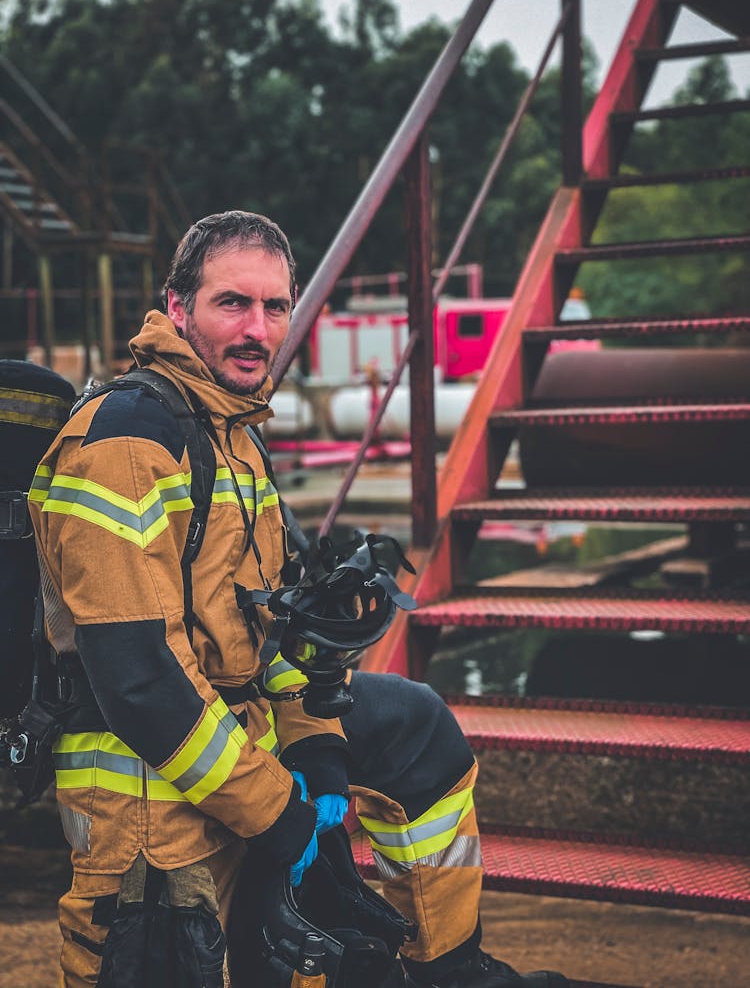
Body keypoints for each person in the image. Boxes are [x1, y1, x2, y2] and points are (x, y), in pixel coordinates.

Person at [29, 210, 567, 988]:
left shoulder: (235, 436)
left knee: (414, 725)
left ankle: (448, 970)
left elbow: (268, 628)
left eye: (275, 306)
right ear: (177, 308)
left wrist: (314, 748)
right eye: (232, 304)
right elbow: (141, 681)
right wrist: (279, 811)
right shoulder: (125, 442)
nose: (257, 328)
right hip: (143, 783)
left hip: (233, 737)